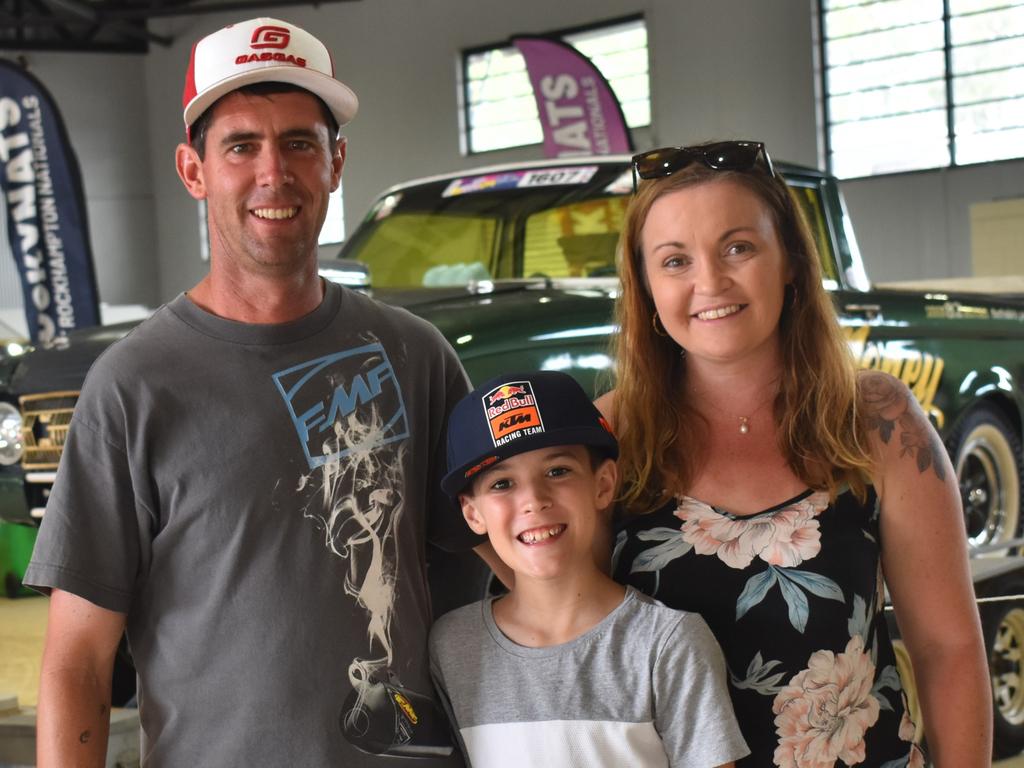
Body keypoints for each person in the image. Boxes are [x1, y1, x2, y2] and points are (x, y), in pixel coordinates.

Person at [24, 17, 498, 767]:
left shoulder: (414, 356)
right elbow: (78, 659)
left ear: (336, 162)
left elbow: (501, 584)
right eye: (241, 145)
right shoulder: (134, 387)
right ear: (193, 170)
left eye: (299, 143)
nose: (273, 173)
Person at [599, 141, 992, 767]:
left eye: (738, 247)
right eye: (675, 261)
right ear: (645, 288)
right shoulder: (608, 437)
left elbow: (947, 649)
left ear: (789, 261)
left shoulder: (876, 421)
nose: (711, 281)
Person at [430, 370, 749, 768]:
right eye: (502, 484)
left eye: (557, 471)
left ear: (603, 484)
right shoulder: (452, 645)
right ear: (472, 513)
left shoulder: (668, 644)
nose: (534, 500)